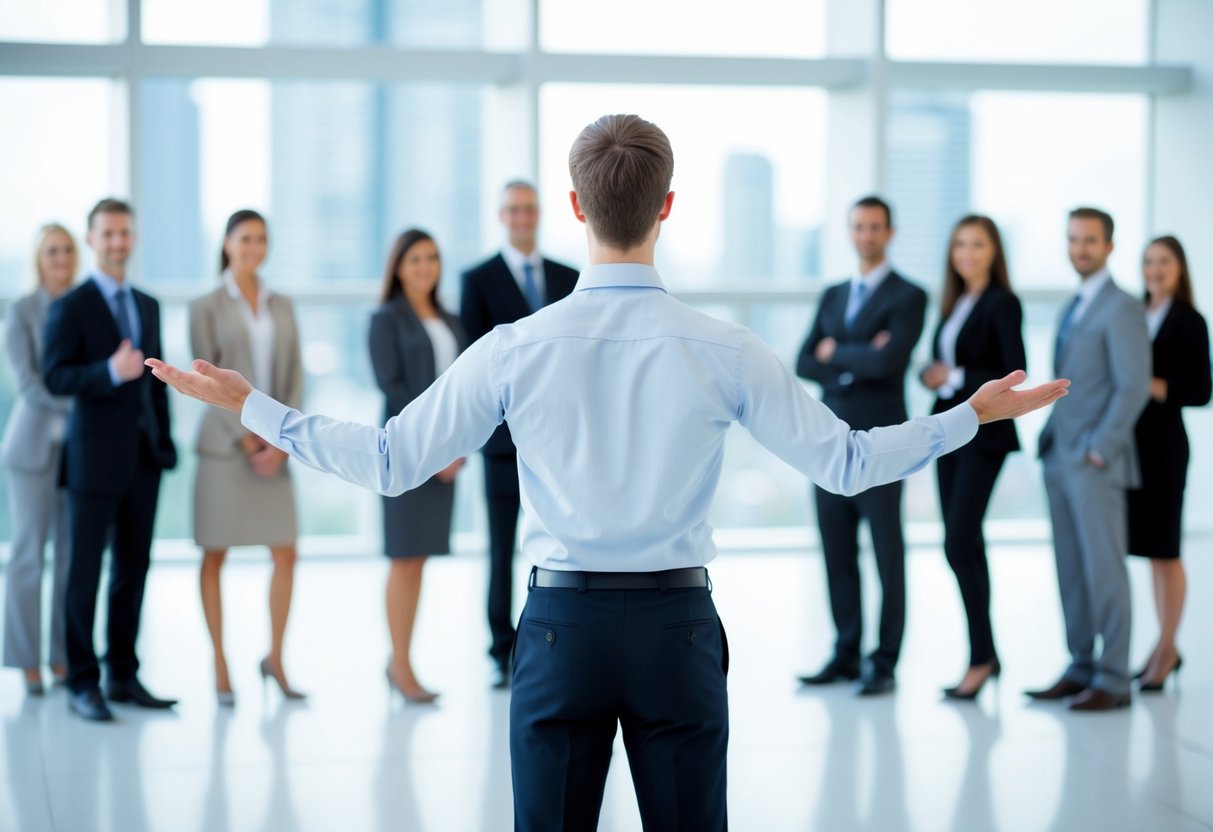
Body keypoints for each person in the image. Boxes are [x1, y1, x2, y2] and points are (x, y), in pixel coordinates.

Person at [147, 113, 1068, 831]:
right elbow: (850, 464)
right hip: (677, 630)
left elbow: (390, 462)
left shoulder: (515, 347)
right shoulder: (723, 347)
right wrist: (969, 416)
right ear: (666, 207)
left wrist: (249, 405)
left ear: (577, 209)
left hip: (558, 635)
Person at [43, 198, 178, 721]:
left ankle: (123, 673)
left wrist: (164, 442)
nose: (119, 242)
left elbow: (157, 382)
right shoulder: (71, 306)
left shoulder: (147, 304)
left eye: (126, 233)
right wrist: (106, 372)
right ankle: (82, 682)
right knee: (83, 574)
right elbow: (56, 376)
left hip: (144, 457)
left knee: (133, 567)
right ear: (92, 239)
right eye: (109, 234)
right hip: (94, 459)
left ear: (133, 238)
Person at [795, 195, 927, 696]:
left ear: (889, 233)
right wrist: (859, 356)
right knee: (837, 546)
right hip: (830, 438)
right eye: (858, 227)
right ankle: (846, 652)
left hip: (882, 441)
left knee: (888, 551)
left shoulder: (909, 296)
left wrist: (839, 356)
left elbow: (889, 362)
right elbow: (806, 359)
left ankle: (885, 660)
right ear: (850, 232)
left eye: (875, 227)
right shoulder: (832, 294)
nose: (866, 235)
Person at [1028, 207, 1150, 711]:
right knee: (1071, 569)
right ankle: (1080, 665)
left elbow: (1133, 384)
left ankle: (1114, 676)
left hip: (1096, 461)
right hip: (1059, 454)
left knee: (1104, 571)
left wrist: (1101, 446)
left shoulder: (1122, 308)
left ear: (1110, 246)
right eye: (1074, 239)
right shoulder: (1071, 307)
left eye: (1090, 241)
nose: (1080, 248)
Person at [460, 180, 579, 688]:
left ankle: (561, 638)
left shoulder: (567, 276)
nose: (522, 217)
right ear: (501, 215)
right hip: (503, 444)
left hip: (559, 440)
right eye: (513, 209)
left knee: (563, 540)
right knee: (502, 546)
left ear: (540, 214)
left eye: (530, 209)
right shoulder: (478, 279)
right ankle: (501, 647)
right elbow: (474, 359)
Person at [189, 209, 305, 705]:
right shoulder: (206, 305)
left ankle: (274, 658)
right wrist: (247, 438)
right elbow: (201, 381)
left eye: (261, 239)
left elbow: (295, 374)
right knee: (215, 553)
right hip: (225, 447)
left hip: (274, 445)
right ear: (227, 243)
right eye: (244, 239)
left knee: (286, 551)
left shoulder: (282, 305)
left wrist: (281, 439)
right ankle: (219, 661)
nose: (253, 247)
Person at [919, 215, 1026, 700]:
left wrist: (954, 376)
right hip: (950, 431)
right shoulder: (955, 302)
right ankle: (987, 654)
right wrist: (931, 375)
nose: (967, 253)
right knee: (964, 543)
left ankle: (982, 657)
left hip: (985, 436)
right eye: (960, 244)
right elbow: (937, 363)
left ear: (993, 251)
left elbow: (1011, 369)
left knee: (959, 542)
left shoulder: (1003, 303)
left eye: (977, 244)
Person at [369, 229, 467, 704]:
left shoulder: (450, 319)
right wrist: (435, 449)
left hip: (447, 455)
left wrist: (459, 444)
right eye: (414, 259)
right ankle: (399, 664)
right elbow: (393, 388)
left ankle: (403, 661)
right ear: (398, 267)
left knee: (420, 559)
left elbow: (465, 388)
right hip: (408, 453)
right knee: (403, 557)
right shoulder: (386, 319)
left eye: (431, 258)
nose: (424, 267)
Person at [1127, 235, 1211, 692]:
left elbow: (1202, 390)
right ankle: (1164, 646)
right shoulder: (1134, 313)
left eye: (1164, 262)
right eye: (1148, 262)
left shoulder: (1189, 321)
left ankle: (1166, 647)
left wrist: (1156, 386)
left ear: (1179, 268)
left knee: (1166, 550)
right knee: (1150, 554)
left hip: (1165, 449)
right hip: (1133, 446)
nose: (1155, 269)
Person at [2, 224, 77, 694]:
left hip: (76, 449)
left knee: (71, 556)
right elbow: (28, 385)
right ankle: (26, 659)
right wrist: (81, 399)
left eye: (68, 250)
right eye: (52, 251)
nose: (62, 258)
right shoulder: (21, 310)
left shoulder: (83, 306)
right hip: (30, 448)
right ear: (38, 257)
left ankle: (60, 656)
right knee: (29, 554)